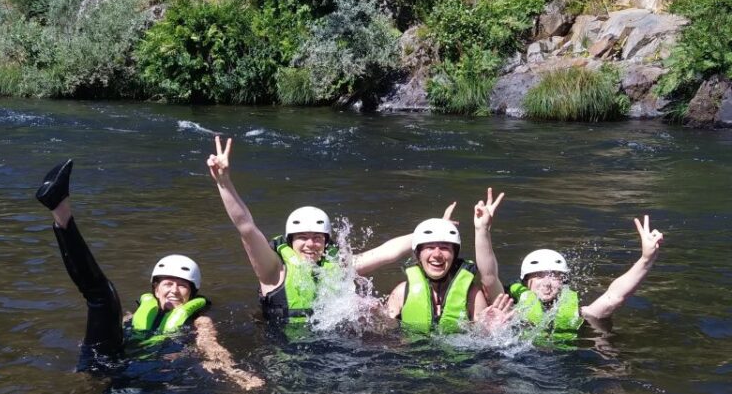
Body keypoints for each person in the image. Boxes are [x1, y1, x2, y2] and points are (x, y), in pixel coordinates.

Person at [35, 158, 263, 389]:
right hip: (109, 360)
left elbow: (211, 347)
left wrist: (233, 372)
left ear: (193, 293)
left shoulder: (200, 321)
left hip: (142, 373)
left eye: (182, 285)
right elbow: (103, 331)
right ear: (155, 288)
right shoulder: (132, 315)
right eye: (167, 284)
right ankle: (60, 212)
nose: (174, 290)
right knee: (102, 298)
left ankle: (61, 212)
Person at [206, 137, 454, 324]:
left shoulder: (337, 267)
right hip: (283, 349)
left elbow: (386, 253)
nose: (310, 244)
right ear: (290, 241)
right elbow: (246, 228)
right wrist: (224, 183)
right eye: (302, 238)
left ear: (326, 242)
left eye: (317, 238)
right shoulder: (273, 270)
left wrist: (431, 232)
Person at [473, 187, 665, 336]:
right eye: (538, 276)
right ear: (525, 282)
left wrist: (646, 259)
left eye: (555, 277)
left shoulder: (583, 314)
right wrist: (482, 231)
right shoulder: (508, 309)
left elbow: (615, 296)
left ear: (564, 282)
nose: (547, 283)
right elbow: (489, 276)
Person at [385, 217, 514, 334]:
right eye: (430, 247)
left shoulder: (472, 294)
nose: (437, 254)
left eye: (444, 248)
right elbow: (386, 334)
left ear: (454, 254)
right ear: (418, 254)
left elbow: (482, 346)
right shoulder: (401, 292)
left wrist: (489, 331)